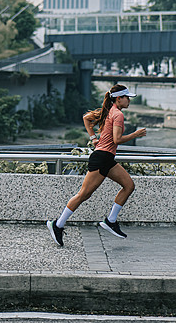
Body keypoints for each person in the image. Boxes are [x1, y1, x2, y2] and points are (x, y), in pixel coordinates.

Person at [47, 84, 147, 246]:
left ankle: (111, 221)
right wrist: (135, 134)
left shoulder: (108, 111)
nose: (129, 100)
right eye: (127, 97)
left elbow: (86, 118)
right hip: (101, 158)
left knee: (129, 186)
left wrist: (94, 138)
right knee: (83, 195)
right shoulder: (118, 114)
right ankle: (57, 225)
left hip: (107, 158)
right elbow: (117, 139)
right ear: (118, 99)